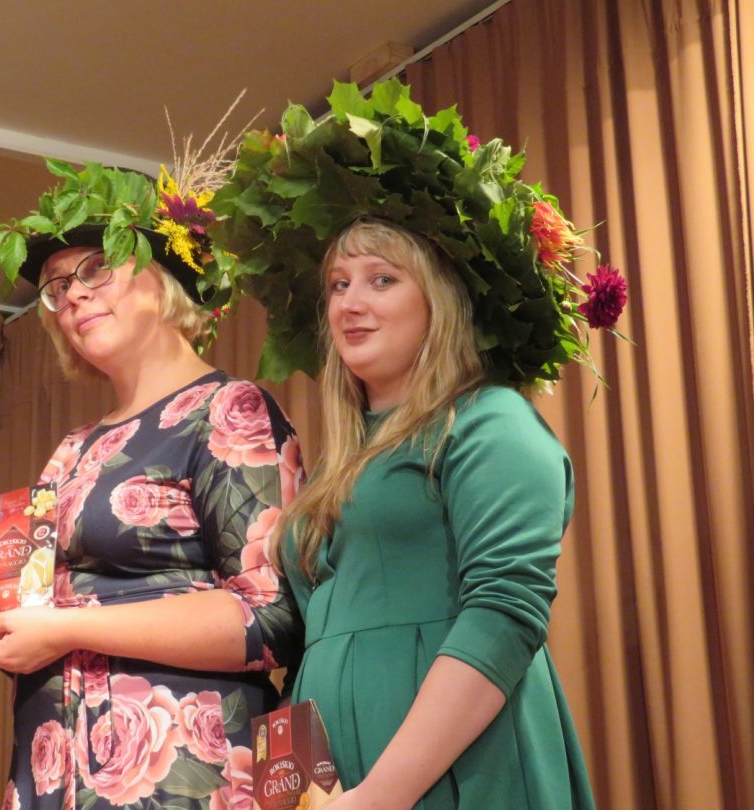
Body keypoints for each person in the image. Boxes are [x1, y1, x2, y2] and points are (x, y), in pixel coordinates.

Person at [212, 78, 628, 808]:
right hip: (332, 781)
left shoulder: (490, 422)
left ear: (439, 301)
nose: (350, 302)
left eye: (382, 279)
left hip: (454, 771)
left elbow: (503, 615)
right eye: (338, 284)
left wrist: (382, 794)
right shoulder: (337, 463)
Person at [0, 154, 304, 809]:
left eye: (97, 267)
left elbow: (271, 615)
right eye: (57, 286)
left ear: (164, 274)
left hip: (178, 780)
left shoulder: (228, 410)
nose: (73, 295)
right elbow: (39, 603)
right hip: (53, 771)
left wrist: (67, 628)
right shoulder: (71, 449)